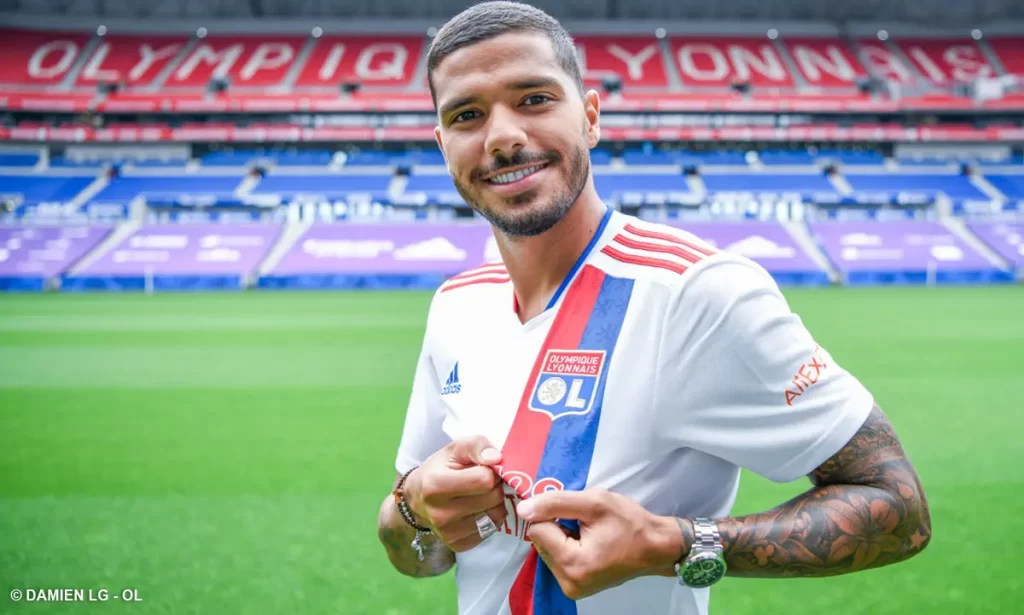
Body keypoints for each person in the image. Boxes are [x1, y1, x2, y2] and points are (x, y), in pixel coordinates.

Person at [376, 2, 932, 613]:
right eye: (466, 114)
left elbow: (899, 508)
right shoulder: (455, 306)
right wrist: (412, 512)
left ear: (590, 117)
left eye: (534, 99)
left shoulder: (696, 292)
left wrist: (674, 542)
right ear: (442, 143)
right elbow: (416, 555)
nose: (502, 136)